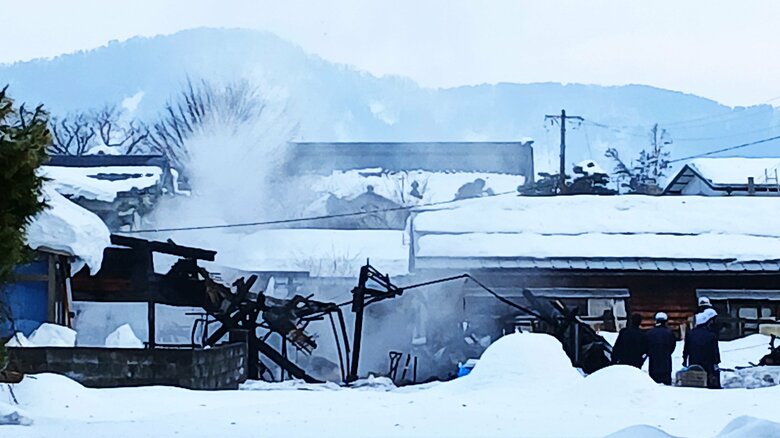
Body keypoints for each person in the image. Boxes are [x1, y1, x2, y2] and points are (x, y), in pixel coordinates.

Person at [683, 308, 721, 389]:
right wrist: (717, 361)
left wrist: (684, 360)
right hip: (708, 363)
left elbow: (686, 349)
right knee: (709, 379)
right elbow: (714, 350)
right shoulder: (711, 335)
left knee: (695, 378)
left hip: (693, 361)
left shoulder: (690, 334)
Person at [644, 312, 677, 385]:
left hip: (653, 363)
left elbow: (646, 346)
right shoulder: (669, 333)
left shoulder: (649, 333)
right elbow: (672, 346)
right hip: (666, 363)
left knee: (653, 384)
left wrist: (650, 353)